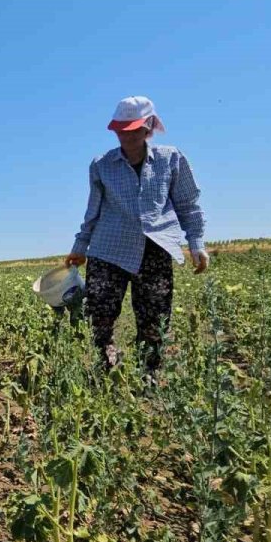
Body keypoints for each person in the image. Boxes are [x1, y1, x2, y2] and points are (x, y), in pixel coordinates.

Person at [65, 96, 208, 371]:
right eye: (121, 130)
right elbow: (92, 211)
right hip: (108, 249)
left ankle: (148, 375)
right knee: (99, 315)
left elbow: (188, 204)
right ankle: (106, 369)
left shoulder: (170, 159)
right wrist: (79, 246)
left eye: (132, 130)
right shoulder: (101, 165)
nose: (126, 136)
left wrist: (196, 242)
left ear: (148, 127)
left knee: (155, 320)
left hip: (154, 248)